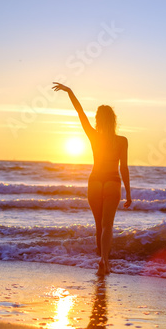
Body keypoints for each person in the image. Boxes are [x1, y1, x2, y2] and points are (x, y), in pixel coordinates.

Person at [52, 83, 132, 275]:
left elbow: (80, 112)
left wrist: (70, 91)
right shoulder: (122, 140)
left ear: (98, 120)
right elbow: (124, 168)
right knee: (107, 226)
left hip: (94, 182)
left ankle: (101, 260)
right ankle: (105, 260)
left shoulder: (93, 136)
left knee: (98, 225)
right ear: (113, 120)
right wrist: (129, 193)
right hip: (112, 182)